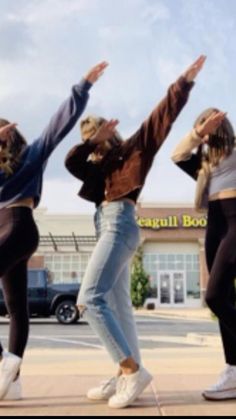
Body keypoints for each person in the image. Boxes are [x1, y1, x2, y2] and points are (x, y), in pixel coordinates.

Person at [65, 56, 206, 409]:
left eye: (99, 133)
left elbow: (161, 118)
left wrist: (183, 83)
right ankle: (125, 371)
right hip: (107, 226)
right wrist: (88, 144)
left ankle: (131, 371)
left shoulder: (133, 151)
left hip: (120, 222)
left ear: (112, 132)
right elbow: (71, 163)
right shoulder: (96, 172)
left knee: (90, 300)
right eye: (90, 138)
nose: (96, 141)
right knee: (118, 306)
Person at [0, 61, 108, 402]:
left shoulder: (31, 155)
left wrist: (82, 87)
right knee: (17, 307)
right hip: (14, 232)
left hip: (17, 226)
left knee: (17, 307)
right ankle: (13, 381)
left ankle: (5, 362)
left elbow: (56, 127)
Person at [172, 108, 236, 401]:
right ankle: (233, 371)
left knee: (213, 297)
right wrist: (198, 134)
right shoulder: (205, 162)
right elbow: (177, 154)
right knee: (223, 299)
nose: (205, 131)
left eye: (210, 125)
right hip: (215, 224)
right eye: (201, 126)